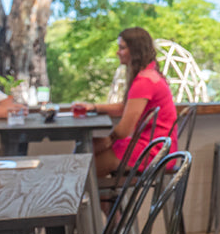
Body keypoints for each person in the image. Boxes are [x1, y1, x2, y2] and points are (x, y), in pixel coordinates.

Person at [71, 27, 177, 177]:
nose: (117, 52)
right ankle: (104, 199)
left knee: (83, 171)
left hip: (153, 151)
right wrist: (93, 107)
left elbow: (123, 131)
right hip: (159, 147)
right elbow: (126, 107)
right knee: (86, 158)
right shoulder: (150, 74)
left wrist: (105, 142)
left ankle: (100, 198)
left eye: (122, 48)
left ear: (135, 51)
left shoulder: (144, 81)